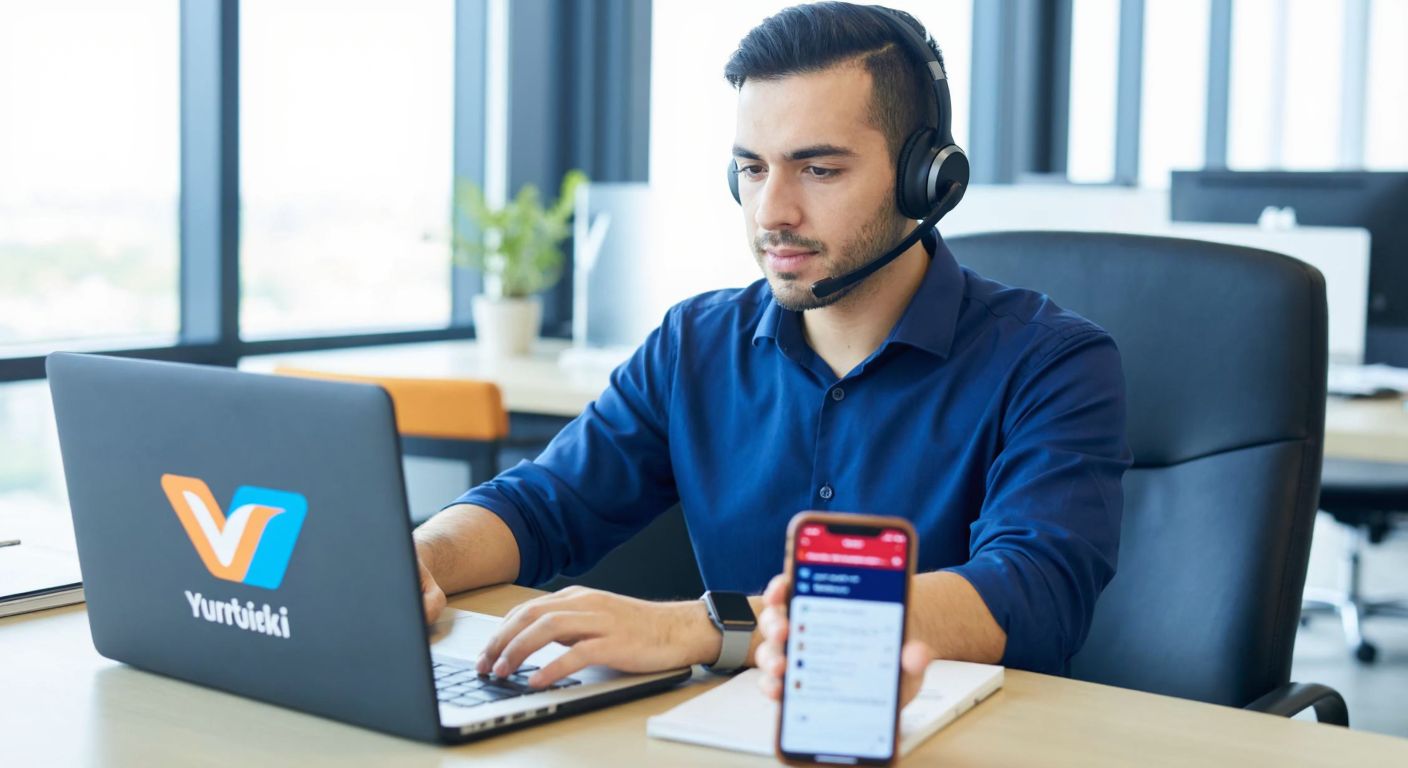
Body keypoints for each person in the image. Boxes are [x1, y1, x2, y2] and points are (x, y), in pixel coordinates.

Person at [413, 2, 1130, 705]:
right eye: (752, 169)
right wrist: (420, 558)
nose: (770, 213)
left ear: (926, 178)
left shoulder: (1053, 363)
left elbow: (1034, 590)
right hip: (725, 733)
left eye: (817, 170)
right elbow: (545, 502)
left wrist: (706, 627)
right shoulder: (695, 343)